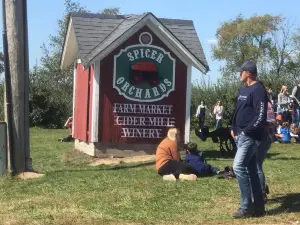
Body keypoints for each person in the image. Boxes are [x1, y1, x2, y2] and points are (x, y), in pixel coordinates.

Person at [231, 60, 267, 218]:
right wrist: (233, 128)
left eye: (242, 71)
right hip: (239, 135)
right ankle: (259, 208)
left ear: (249, 73)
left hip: (250, 137)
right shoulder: (243, 90)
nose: (240, 74)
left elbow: (260, 116)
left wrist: (245, 132)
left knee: (238, 167)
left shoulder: (258, 90)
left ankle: (246, 207)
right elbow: (238, 111)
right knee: (251, 171)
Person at [256, 84, 276, 203]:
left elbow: (272, 121)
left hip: (263, 138)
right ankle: (261, 188)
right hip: (261, 137)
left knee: (257, 165)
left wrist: (260, 124)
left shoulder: (266, 104)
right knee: (256, 165)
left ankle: (262, 193)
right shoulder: (262, 103)